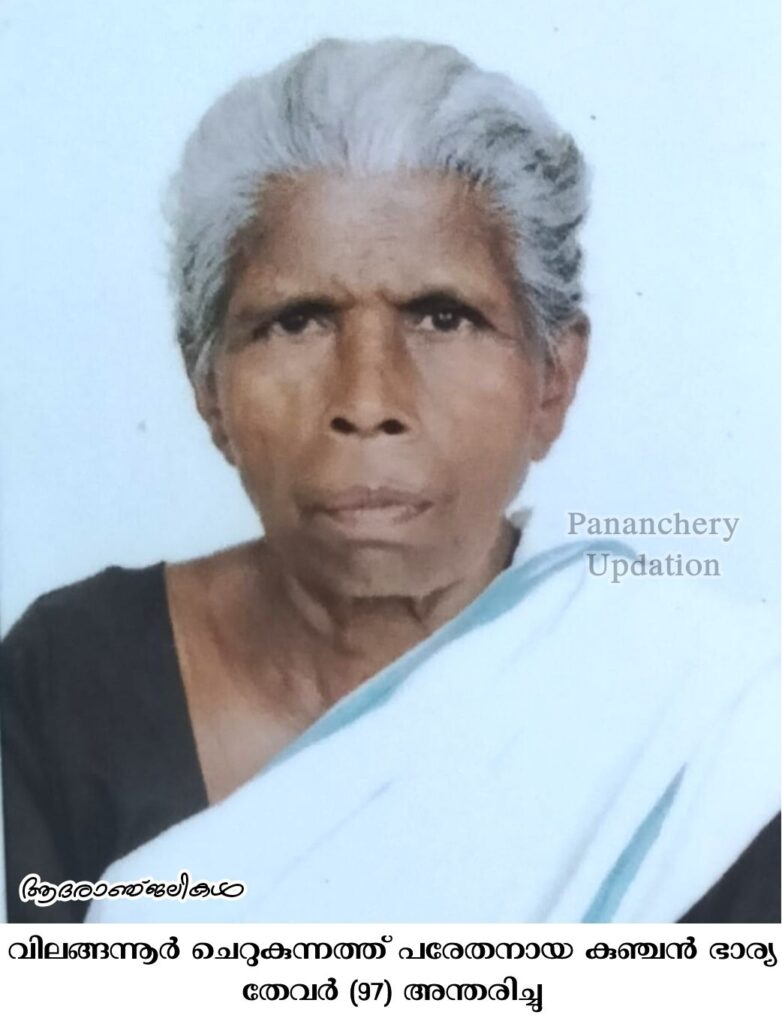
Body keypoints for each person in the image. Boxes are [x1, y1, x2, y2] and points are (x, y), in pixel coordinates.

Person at [1, 38, 778, 925]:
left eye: (443, 317)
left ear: (553, 380)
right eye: (297, 322)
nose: (367, 402)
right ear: (207, 385)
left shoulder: (702, 728)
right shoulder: (72, 679)